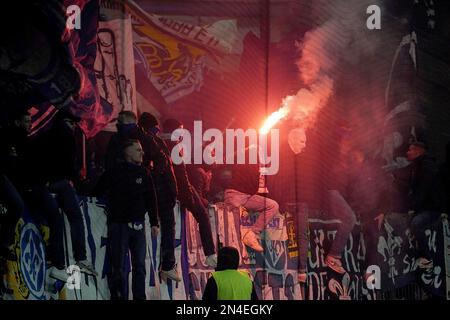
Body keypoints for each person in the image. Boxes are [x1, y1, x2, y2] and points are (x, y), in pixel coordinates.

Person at [0, 110, 68, 281]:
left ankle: (53, 262)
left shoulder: (25, 140)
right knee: (55, 217)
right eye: (26, 121)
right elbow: (24, 166)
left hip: (30, 187)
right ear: (16, 122)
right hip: (30, 187)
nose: (30, 125)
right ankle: (57, 263)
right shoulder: (17, 139)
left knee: (48, 218)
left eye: (30, 121)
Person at [95, 139, 159, 299]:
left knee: (139, 266)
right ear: (127, 152)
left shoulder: (144, 173)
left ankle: (139, 297)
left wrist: (154, 223)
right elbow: (97, 190)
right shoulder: (114, 172)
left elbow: (152, 199)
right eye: (138, 150)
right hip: (119, 225)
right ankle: (118, 296)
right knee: (118, 267)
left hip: (138, 226)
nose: (142, 153)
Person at [36, 110, 97, 276]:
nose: (74, 126)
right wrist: (78, 182)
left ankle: (55, 262)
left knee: (52, 222)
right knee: (75, 218)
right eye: (71, 123)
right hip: (62, 183)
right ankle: (81, 257)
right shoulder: (67, 137)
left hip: (45, 185)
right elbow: (70, 164)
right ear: (64, 122)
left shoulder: (43, 136)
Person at [161, 119, 217, 268]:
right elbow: (180, 173)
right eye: (181, 130)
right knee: (202, 215)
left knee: (169, 226)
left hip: (171, 188)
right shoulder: (173, 147)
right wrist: (187, 192)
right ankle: (210, 254)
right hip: (180, 188)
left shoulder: (159, 143)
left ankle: (168, 264)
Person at [137, 113, 181, 281]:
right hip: (160, 193)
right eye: (154, 128)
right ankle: (168, 265)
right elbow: (162, 168)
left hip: (164, 193)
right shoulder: (151, 143)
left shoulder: (152, 142)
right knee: (166, 227)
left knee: (167, 228)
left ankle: (168, 265)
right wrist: (153, 180)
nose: (156, 132)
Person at [406, 141, 446, 269]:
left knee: (416, 223)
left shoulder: (426, 167)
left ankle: (426, 257)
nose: (407, 152)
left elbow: (423, 191)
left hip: (433, 208)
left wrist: (412, 207)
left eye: (410, 150)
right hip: (428, 206)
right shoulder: (418, 166)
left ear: (418, 151)